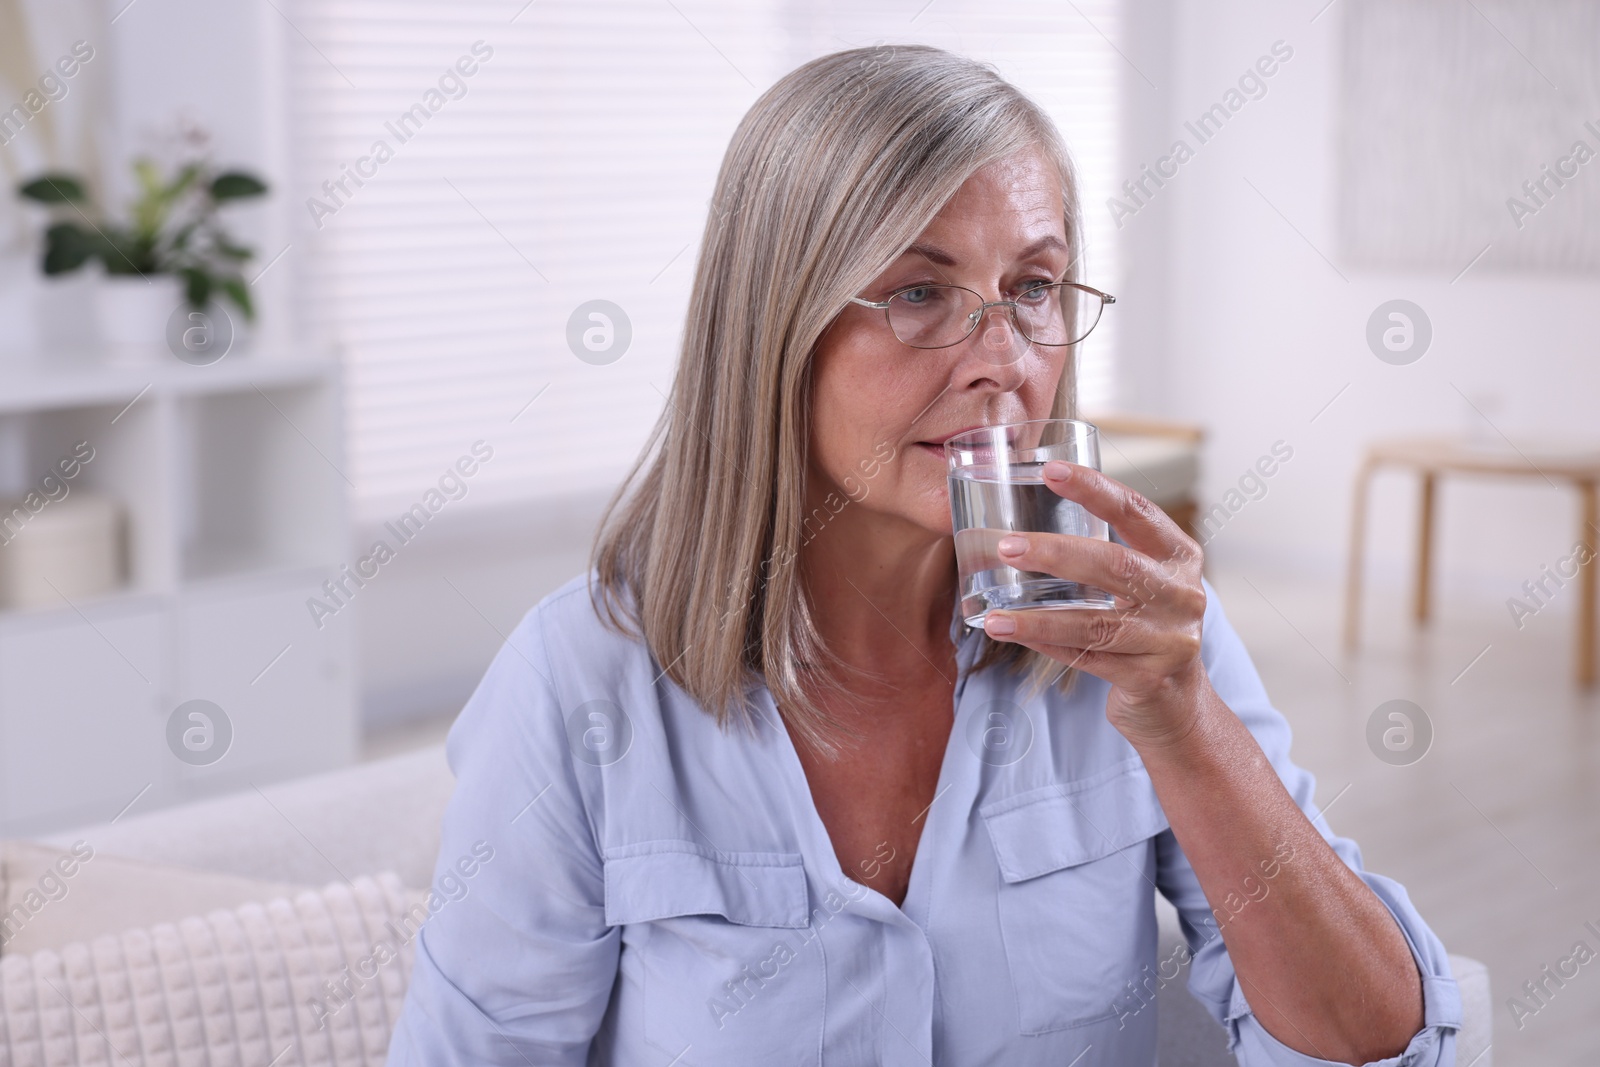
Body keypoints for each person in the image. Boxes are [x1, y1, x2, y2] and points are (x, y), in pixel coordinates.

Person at [385, 44, 1461, 1066]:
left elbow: (1378, 1045)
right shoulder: (579, 682)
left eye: (1033, 287)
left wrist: (1187, 725)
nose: (1003, 360)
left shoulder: (1139, 643)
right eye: (916, 291)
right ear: (775, 326)